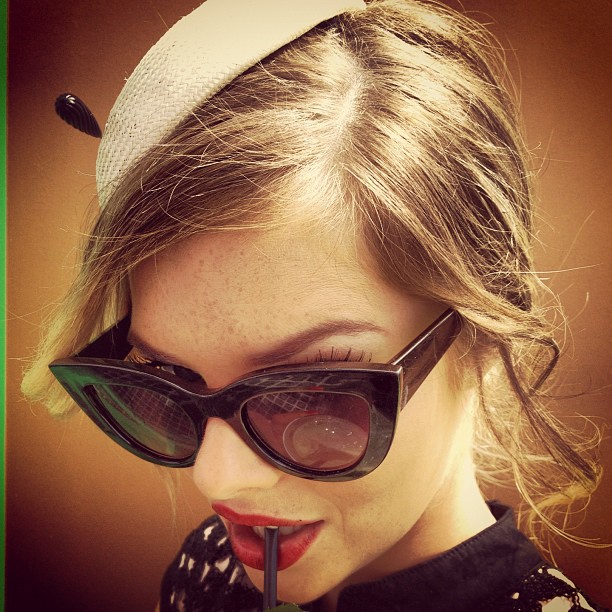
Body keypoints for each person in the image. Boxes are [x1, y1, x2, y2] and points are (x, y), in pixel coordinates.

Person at [21, 0, 608, 610]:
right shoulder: (210, 568)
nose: (217, 479)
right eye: (168, 381)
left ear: (481, 331)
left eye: (311, 395)